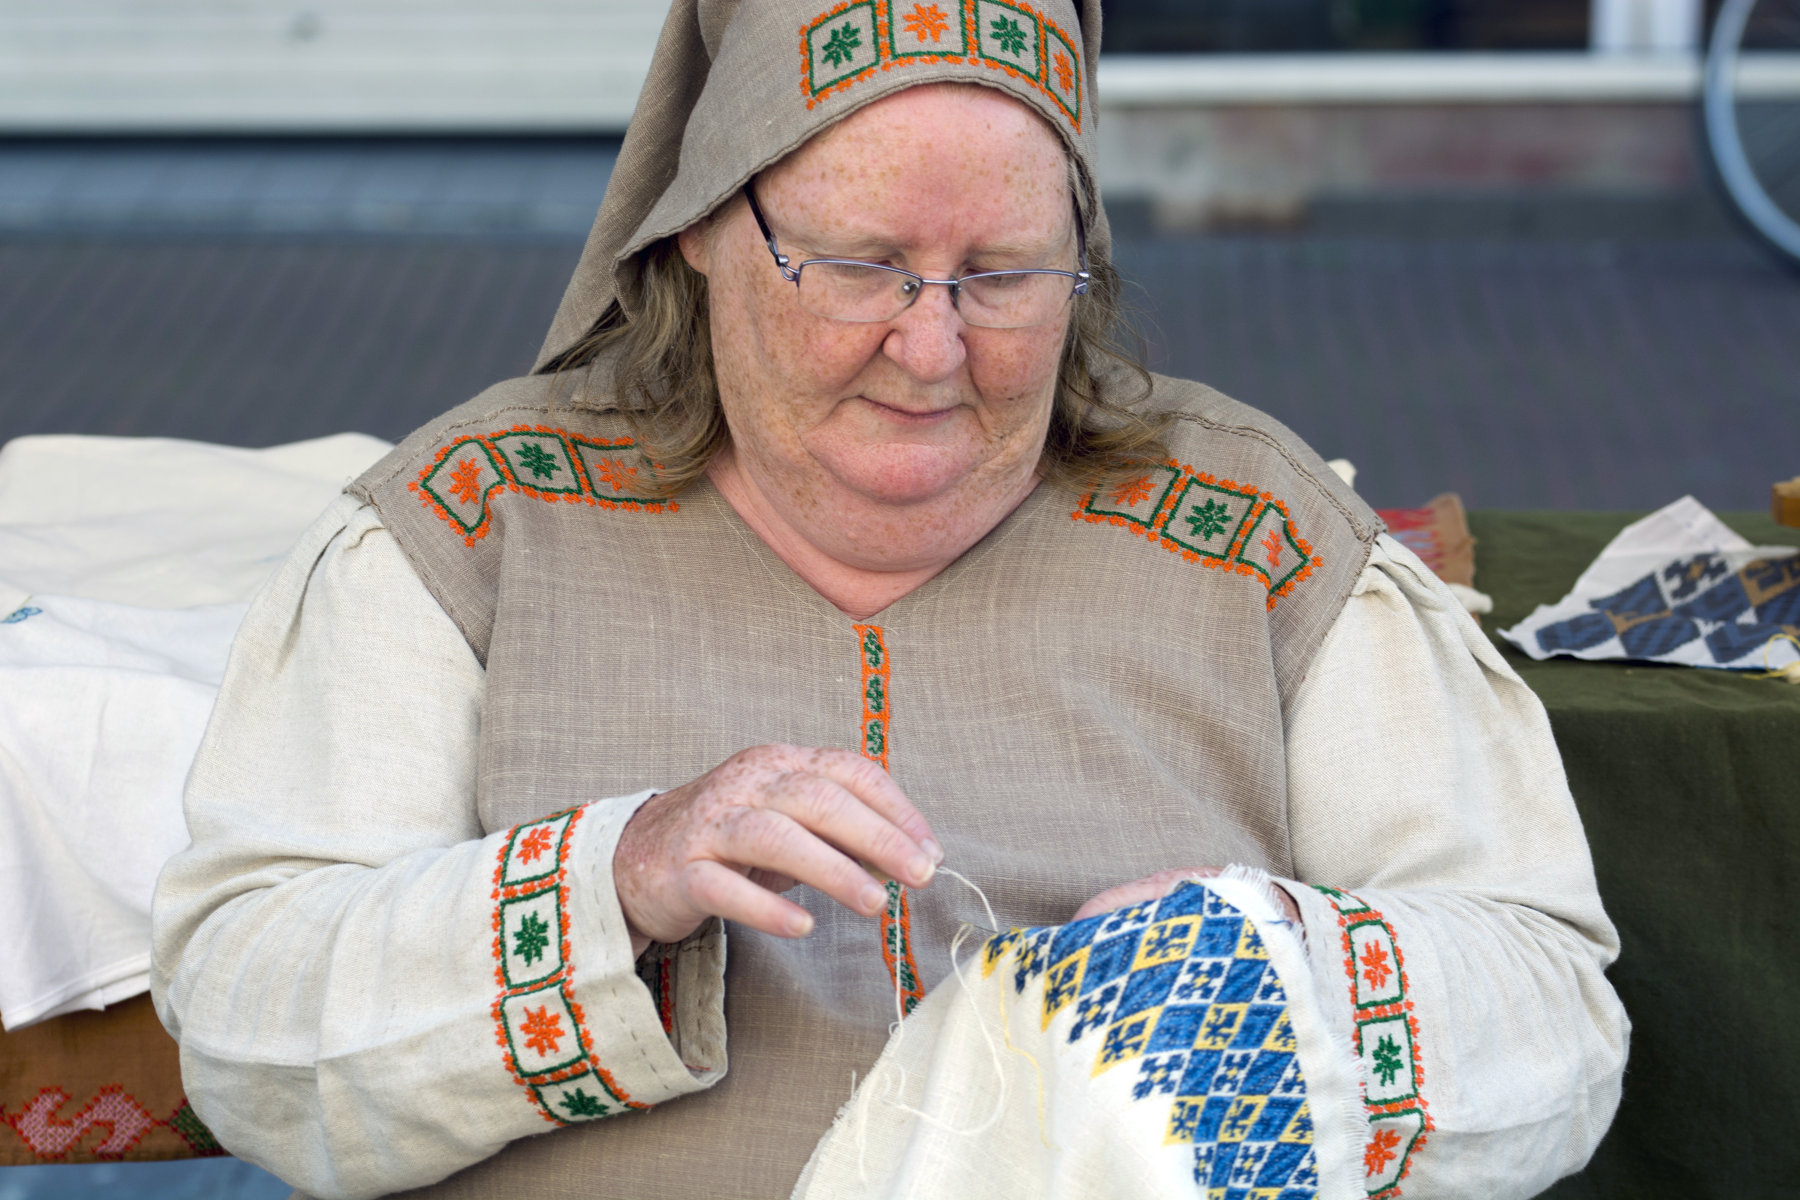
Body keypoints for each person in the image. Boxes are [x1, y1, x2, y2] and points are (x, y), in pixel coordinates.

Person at [151, 2, 1628, 1197]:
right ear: (700, 243)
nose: (932, 352)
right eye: (858, 267)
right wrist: (617, 881)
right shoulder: (477, 525)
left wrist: (1271, 980)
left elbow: (1550, 1009)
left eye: (1002, 275)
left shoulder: (1256, 538)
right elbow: (248, 1024)